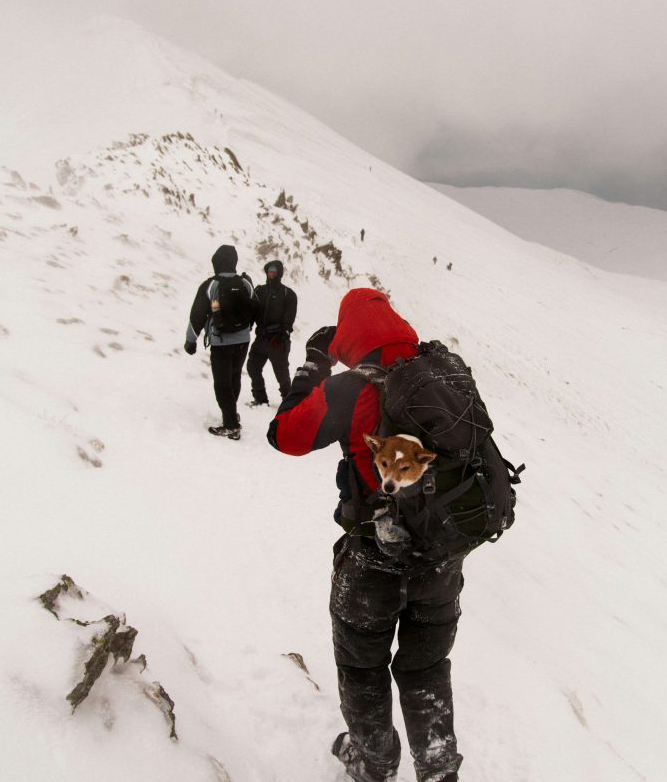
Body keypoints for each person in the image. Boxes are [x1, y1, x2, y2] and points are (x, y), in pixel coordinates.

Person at [267, 289, 463, 782]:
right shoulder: (444, 374)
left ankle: (374, 764)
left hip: (372, 560)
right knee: (426, 667)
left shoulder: (351, 389)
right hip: (441, 557)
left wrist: (314, 365)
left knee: (362, 666)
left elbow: (284, 435)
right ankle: (438, 768)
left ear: (350, 336)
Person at [183, 244, 254, 440]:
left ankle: (231, 425)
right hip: (243, 340)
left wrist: (191, 340)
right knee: (234, 377)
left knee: (222, 384)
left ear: (216, 262)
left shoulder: (211, 285)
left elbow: (197, 315)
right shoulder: (246, 283)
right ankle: (231, 413)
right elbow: (254, 308)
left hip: (221, 341)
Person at [246, 259, 298, 406]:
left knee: (281, 374)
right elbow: (253, 311)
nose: (271, 274)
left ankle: (289, 402)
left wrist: (283, 333)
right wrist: (248, 325)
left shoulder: (288, 294)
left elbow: (289, 318)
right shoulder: (259, 291)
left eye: (274, 271)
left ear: (279, 273)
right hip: (261, 338)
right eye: (269, 271)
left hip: (277, 340)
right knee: (253, 367)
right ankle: (260, 398)